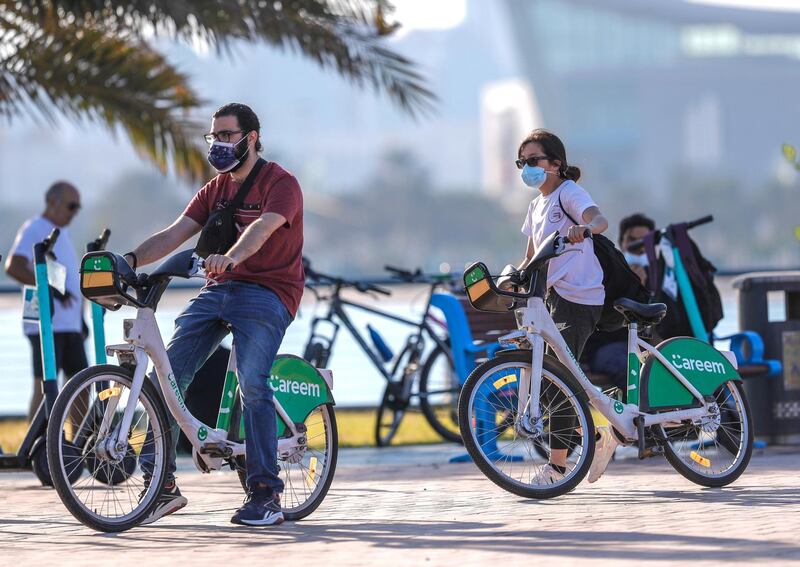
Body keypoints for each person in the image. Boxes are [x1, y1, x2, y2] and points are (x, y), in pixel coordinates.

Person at [129, 103, 304, 526]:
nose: (219, 144)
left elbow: (262, 228)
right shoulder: (216, 188)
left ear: (252, 138)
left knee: (253, 384)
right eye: (214, 137)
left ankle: (265, 494)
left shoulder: (282, 183)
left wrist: (230, 257)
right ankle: (161, 485)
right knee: (166, 378)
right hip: (219, 289)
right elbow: (174, 234)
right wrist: (129, 258)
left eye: (227, 136)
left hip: (268, 291)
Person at [512, 129, 617, 484]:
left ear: (555, 164)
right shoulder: (535, 205)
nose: (527, 168)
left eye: (533, 161)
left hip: (580, 297)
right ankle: (600, 431)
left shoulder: (568, 193)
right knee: (545, 374)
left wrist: (583, 229)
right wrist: (513, 278)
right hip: (551, 297)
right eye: (521, 162)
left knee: (559, 379)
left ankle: (558, 468)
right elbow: (530, 257)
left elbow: (600, 220)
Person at [5, 182, 87, 421]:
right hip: (47, 323)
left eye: (77, 208)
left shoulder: (62, 232)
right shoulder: (35, 228)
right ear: (53, 202)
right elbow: (14, 266)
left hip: (69, 324)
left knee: (81, 385)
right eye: (71, 206)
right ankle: (37, 445)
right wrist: (48, 288)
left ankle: (74, 446)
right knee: (45, 386)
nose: (74, 212)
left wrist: (80, 321)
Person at [581, 213, 655, 392]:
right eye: (633, 242)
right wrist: (635, 288)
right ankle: (645, 417)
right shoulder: (610, 268)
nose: (640, 250)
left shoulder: (659, 276)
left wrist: (645, 289)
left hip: (640, 345)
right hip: (604, 347)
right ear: (622, 242)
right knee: (631, 367)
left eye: (645, 243)